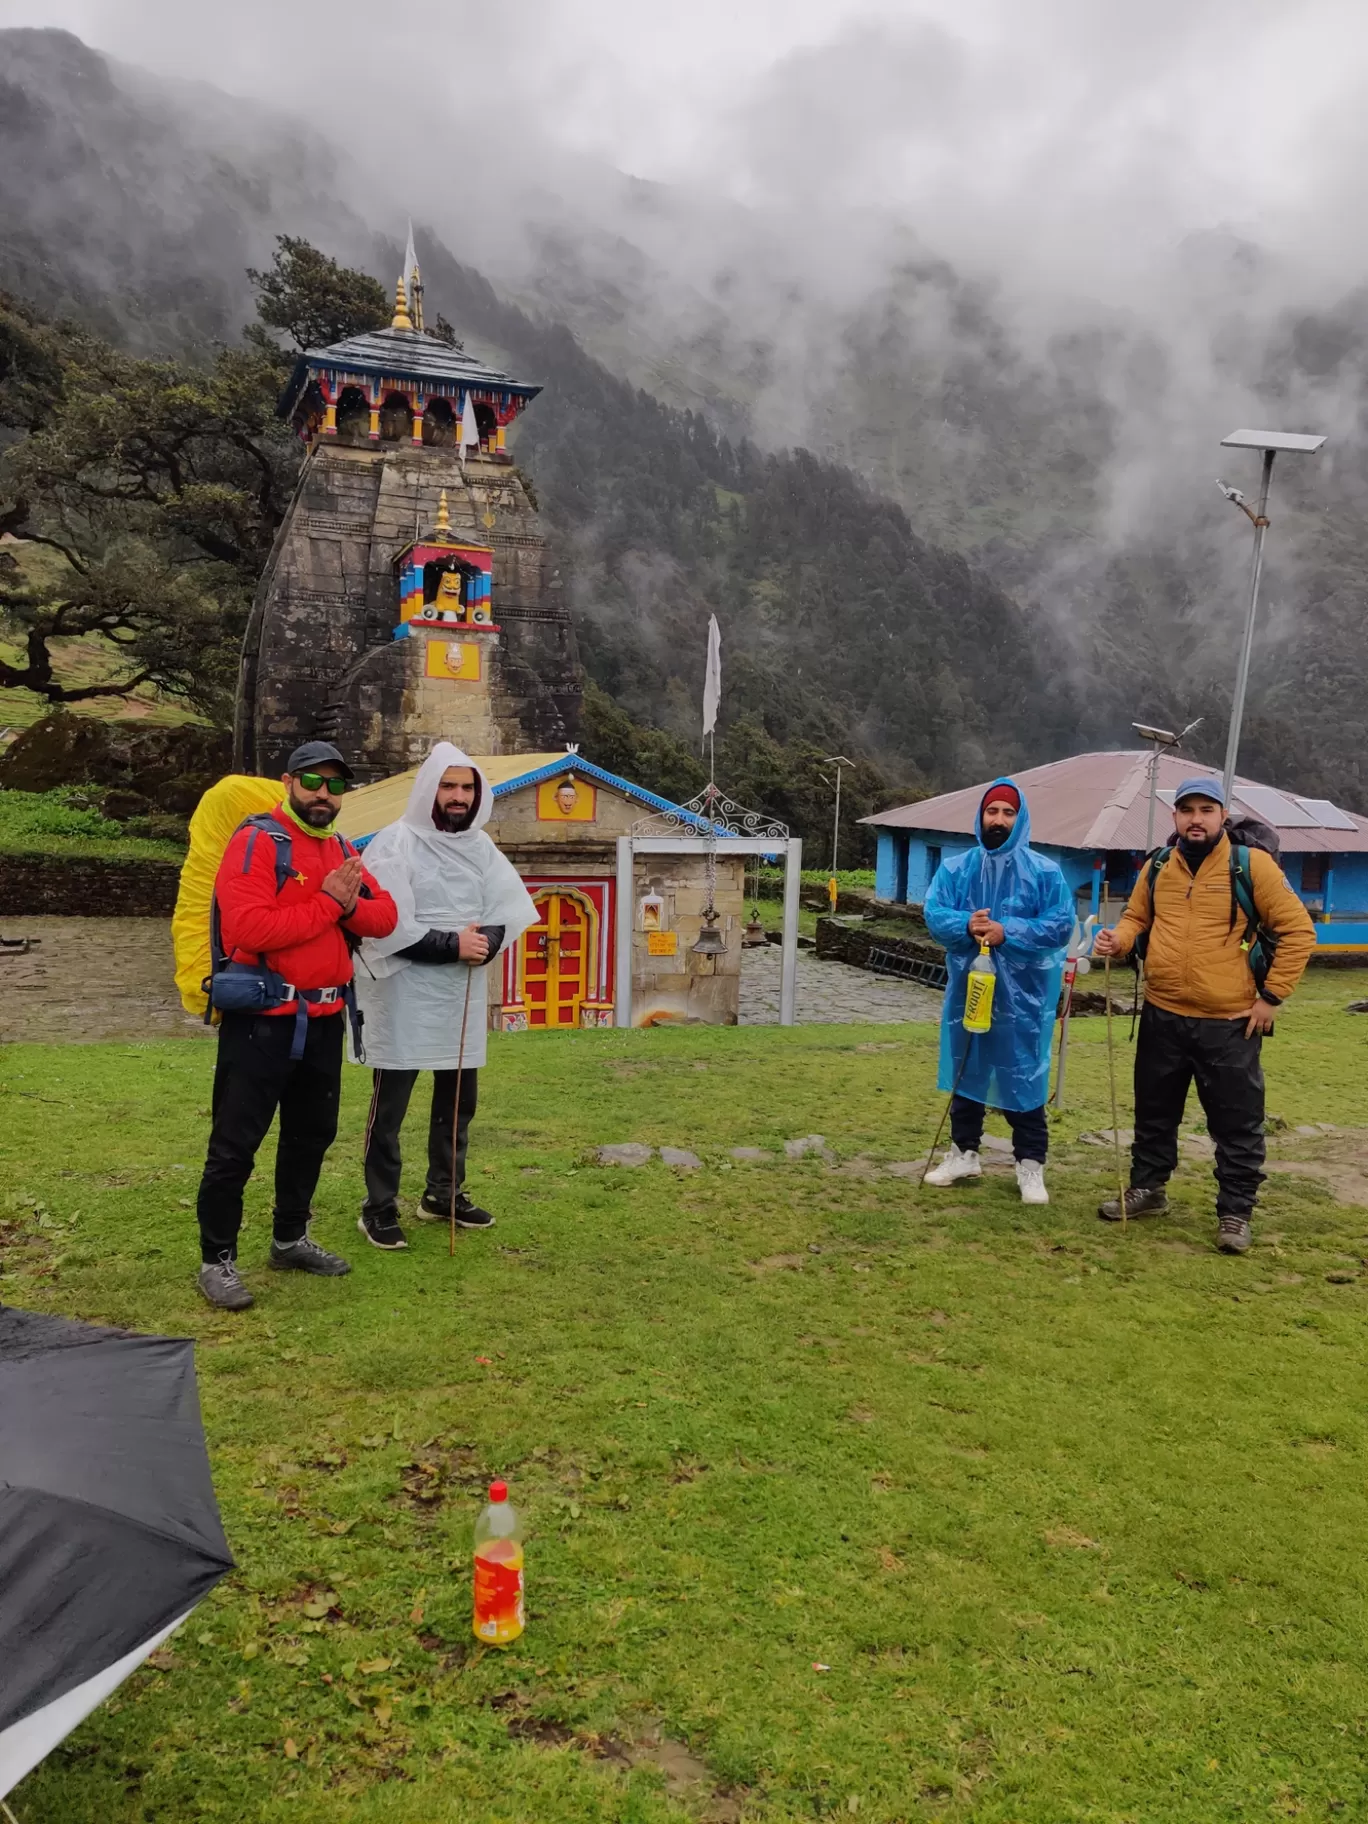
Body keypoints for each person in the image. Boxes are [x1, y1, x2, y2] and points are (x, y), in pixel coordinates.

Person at [195, 742, 398, 1310]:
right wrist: (332, 903)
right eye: (313, 781)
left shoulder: (340, 847)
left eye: (335, 786)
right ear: (289, 782)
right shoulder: (257, 841)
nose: (324, 794)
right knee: (235, 1145)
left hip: (325, 1020)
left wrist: (339, 902)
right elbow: (249, 929)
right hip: (262, 1021)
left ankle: (289, 1238)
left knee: (311, 1133)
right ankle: (218, 1259)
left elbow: (385, 916)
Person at [1092, 776, 1315, 1254]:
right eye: (1187, 810)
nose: (1196, 819)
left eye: (1206, 810)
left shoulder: (1251, 866)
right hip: (1162, 1014)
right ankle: (1148, 1189)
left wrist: (1271, 997)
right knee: (1154, 1114)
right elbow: (1136, 917)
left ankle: (1235, 1213)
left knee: (1237, 1124)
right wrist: (1120, 939)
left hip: (1231, 1020)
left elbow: (1298, 931)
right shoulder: (1158, 865)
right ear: (1175, 817)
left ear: (1222, 816)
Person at [351, 743, 539, 1250]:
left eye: (467, 787)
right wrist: (453, 944)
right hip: (404, 994)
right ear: (430, 789)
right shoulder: (394, 843)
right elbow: (387, 925)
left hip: (460, 995)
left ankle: (443, 1193)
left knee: (458, 1104)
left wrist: (488, 943)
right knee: (390, 1109)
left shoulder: (481, 847)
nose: (458, 797)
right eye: (448, 786)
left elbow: (506, 906)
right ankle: (378, 1206)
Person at [922, 779, 1074, 1204]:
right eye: (993, 812)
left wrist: (1011, 931)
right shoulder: (956, 869)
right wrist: (965, 924)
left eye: (1008, 813)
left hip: (1024, 999)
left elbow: (1061, 925)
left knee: (1023, 1075)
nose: (999, 820)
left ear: (1020, 818)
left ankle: (1030, 1166)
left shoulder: (1045, 872)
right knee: (967, 1067)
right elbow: (935, 913)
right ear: (981, 817)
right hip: (969, 987)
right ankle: (963, 1153)